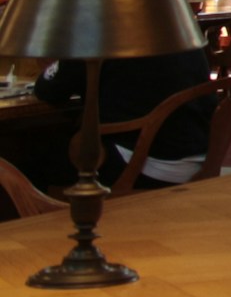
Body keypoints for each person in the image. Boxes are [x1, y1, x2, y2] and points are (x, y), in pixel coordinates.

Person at [32, 42, 214, 189]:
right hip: (197, 158)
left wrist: (55, 64)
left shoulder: (98, 33)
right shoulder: (180, 27)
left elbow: (48, 91)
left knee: (29, 153)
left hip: (140, 165)